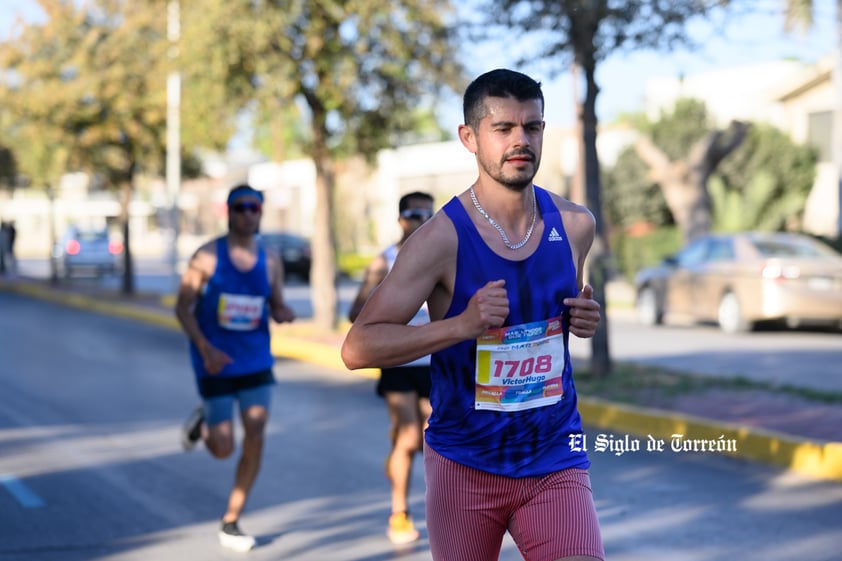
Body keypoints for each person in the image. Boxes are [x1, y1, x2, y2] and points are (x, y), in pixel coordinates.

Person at [341, 68, 604, 561]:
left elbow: (552, 323)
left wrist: (581, 320)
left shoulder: (574, 225)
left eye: (533, 127)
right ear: (470, 137)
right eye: (503, 128)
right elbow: (358, 347)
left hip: (554, 456)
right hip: (466, 464)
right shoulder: (439, 239)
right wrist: (459, 327)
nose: (520, 140)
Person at [174, 184, 295, 552]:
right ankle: (204, 424)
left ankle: (231, 520)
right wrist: (204, 347)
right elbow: (182, 307)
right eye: (241, 208)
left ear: (260, 213)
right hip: (215, 360)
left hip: (255, 359)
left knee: (256, 431)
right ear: (228, 212)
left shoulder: (271, 259)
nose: (248, 214)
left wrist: (282, 313)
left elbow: (275, 304)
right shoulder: (207, 257)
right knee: (223, 448)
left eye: (254, 208)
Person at [348, 191, 435, 545]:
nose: (422, 222)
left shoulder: (443, 256)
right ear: (401, 219)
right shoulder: (384, 260)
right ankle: (399, 514)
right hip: (398, 361)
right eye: (416, 215)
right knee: (412, 436)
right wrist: (385, 304)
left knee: (431, 437)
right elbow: (356, 315)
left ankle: (397, 455)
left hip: (435, 360)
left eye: (430, 215)